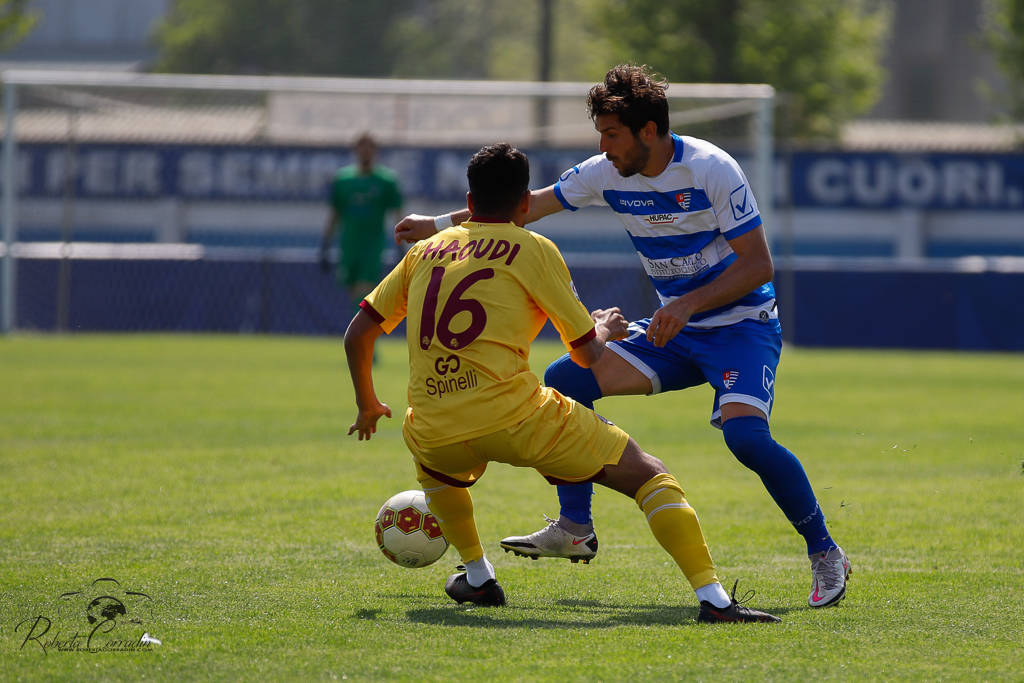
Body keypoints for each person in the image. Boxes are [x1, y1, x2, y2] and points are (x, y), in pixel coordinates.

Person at [393, 65, 850, 609]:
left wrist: (686, 304)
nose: (603, 146)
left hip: (739, 327)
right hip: (672, 331)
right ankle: (575, 527)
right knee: (568, 377)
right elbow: (526, 206)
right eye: (601, 135)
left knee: (746, 440)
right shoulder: (605, 171)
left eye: (611, 134)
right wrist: (441, 225)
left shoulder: (712, 169)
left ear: (649, 132)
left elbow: (758, 265)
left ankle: (825, 551)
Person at [346, 142, 779, 622]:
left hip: (434, 426)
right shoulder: (533, 249)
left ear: (468, 202)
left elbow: (358, 332)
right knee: (650, 474)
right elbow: (588, 355)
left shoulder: (424, 253)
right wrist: (606, 329)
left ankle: (477, 575)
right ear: (526, 205)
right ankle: (715, 601)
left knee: (433, 467)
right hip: (516, 419)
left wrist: (367, 404)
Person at [320, 133, 404, 303]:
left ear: (375, 151)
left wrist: (401, 244)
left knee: (364, 291)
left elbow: (397, 214)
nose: (365, 152)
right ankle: (360, 327)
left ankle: (360, 329)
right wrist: (326, 244)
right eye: (362, 147)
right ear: (356, 150)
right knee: (354, 292)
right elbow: (335, 214)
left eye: (369, 148)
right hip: (349, 245)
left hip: (372, 246)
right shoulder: (343, 180)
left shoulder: (386, 181)